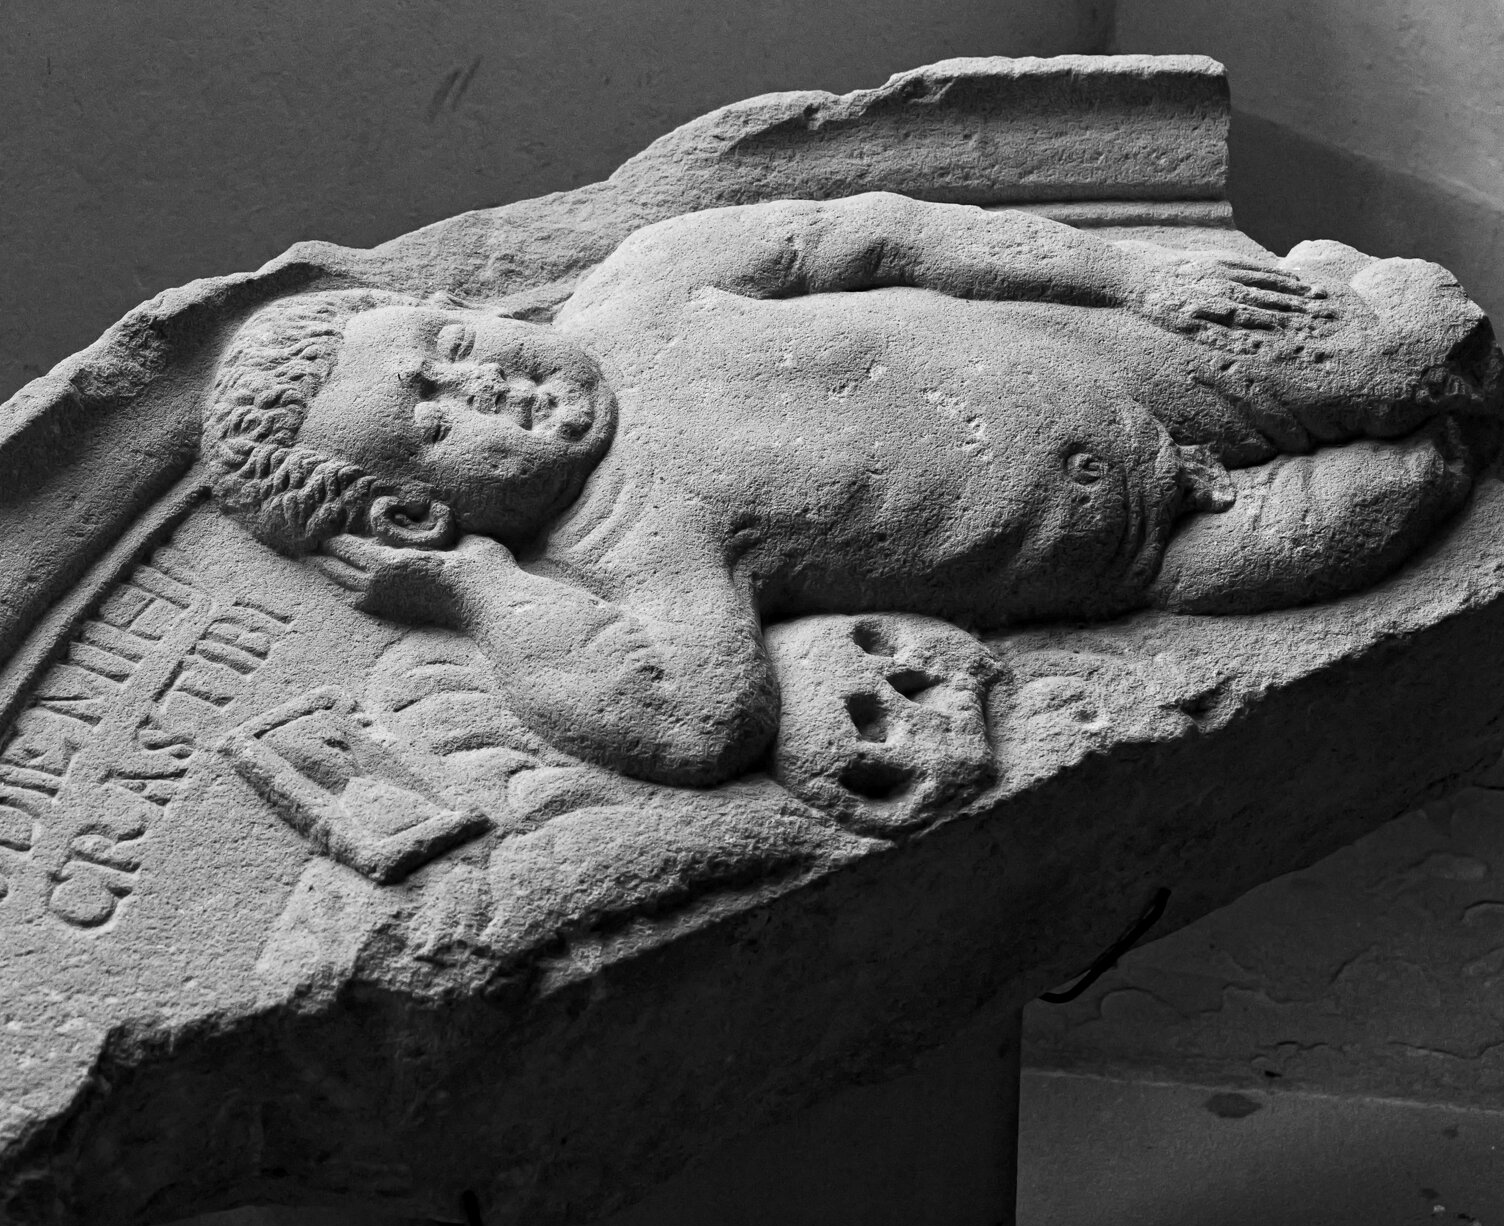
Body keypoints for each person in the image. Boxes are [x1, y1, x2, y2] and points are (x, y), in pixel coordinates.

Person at [201, 193, 1499, 787]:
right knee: (1391, 495)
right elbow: (698, 722)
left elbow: (884, 232)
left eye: (451, 342)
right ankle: (1409, 426)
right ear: (414, 515)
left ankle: (1361, 310)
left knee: (1425, 355)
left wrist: (1135, 278)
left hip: (1132, 362)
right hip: (1151, 552)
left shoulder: (648, 284)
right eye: (437, 418)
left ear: (455, 302)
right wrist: (478, 592)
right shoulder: (637, 548)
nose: (488, 380)